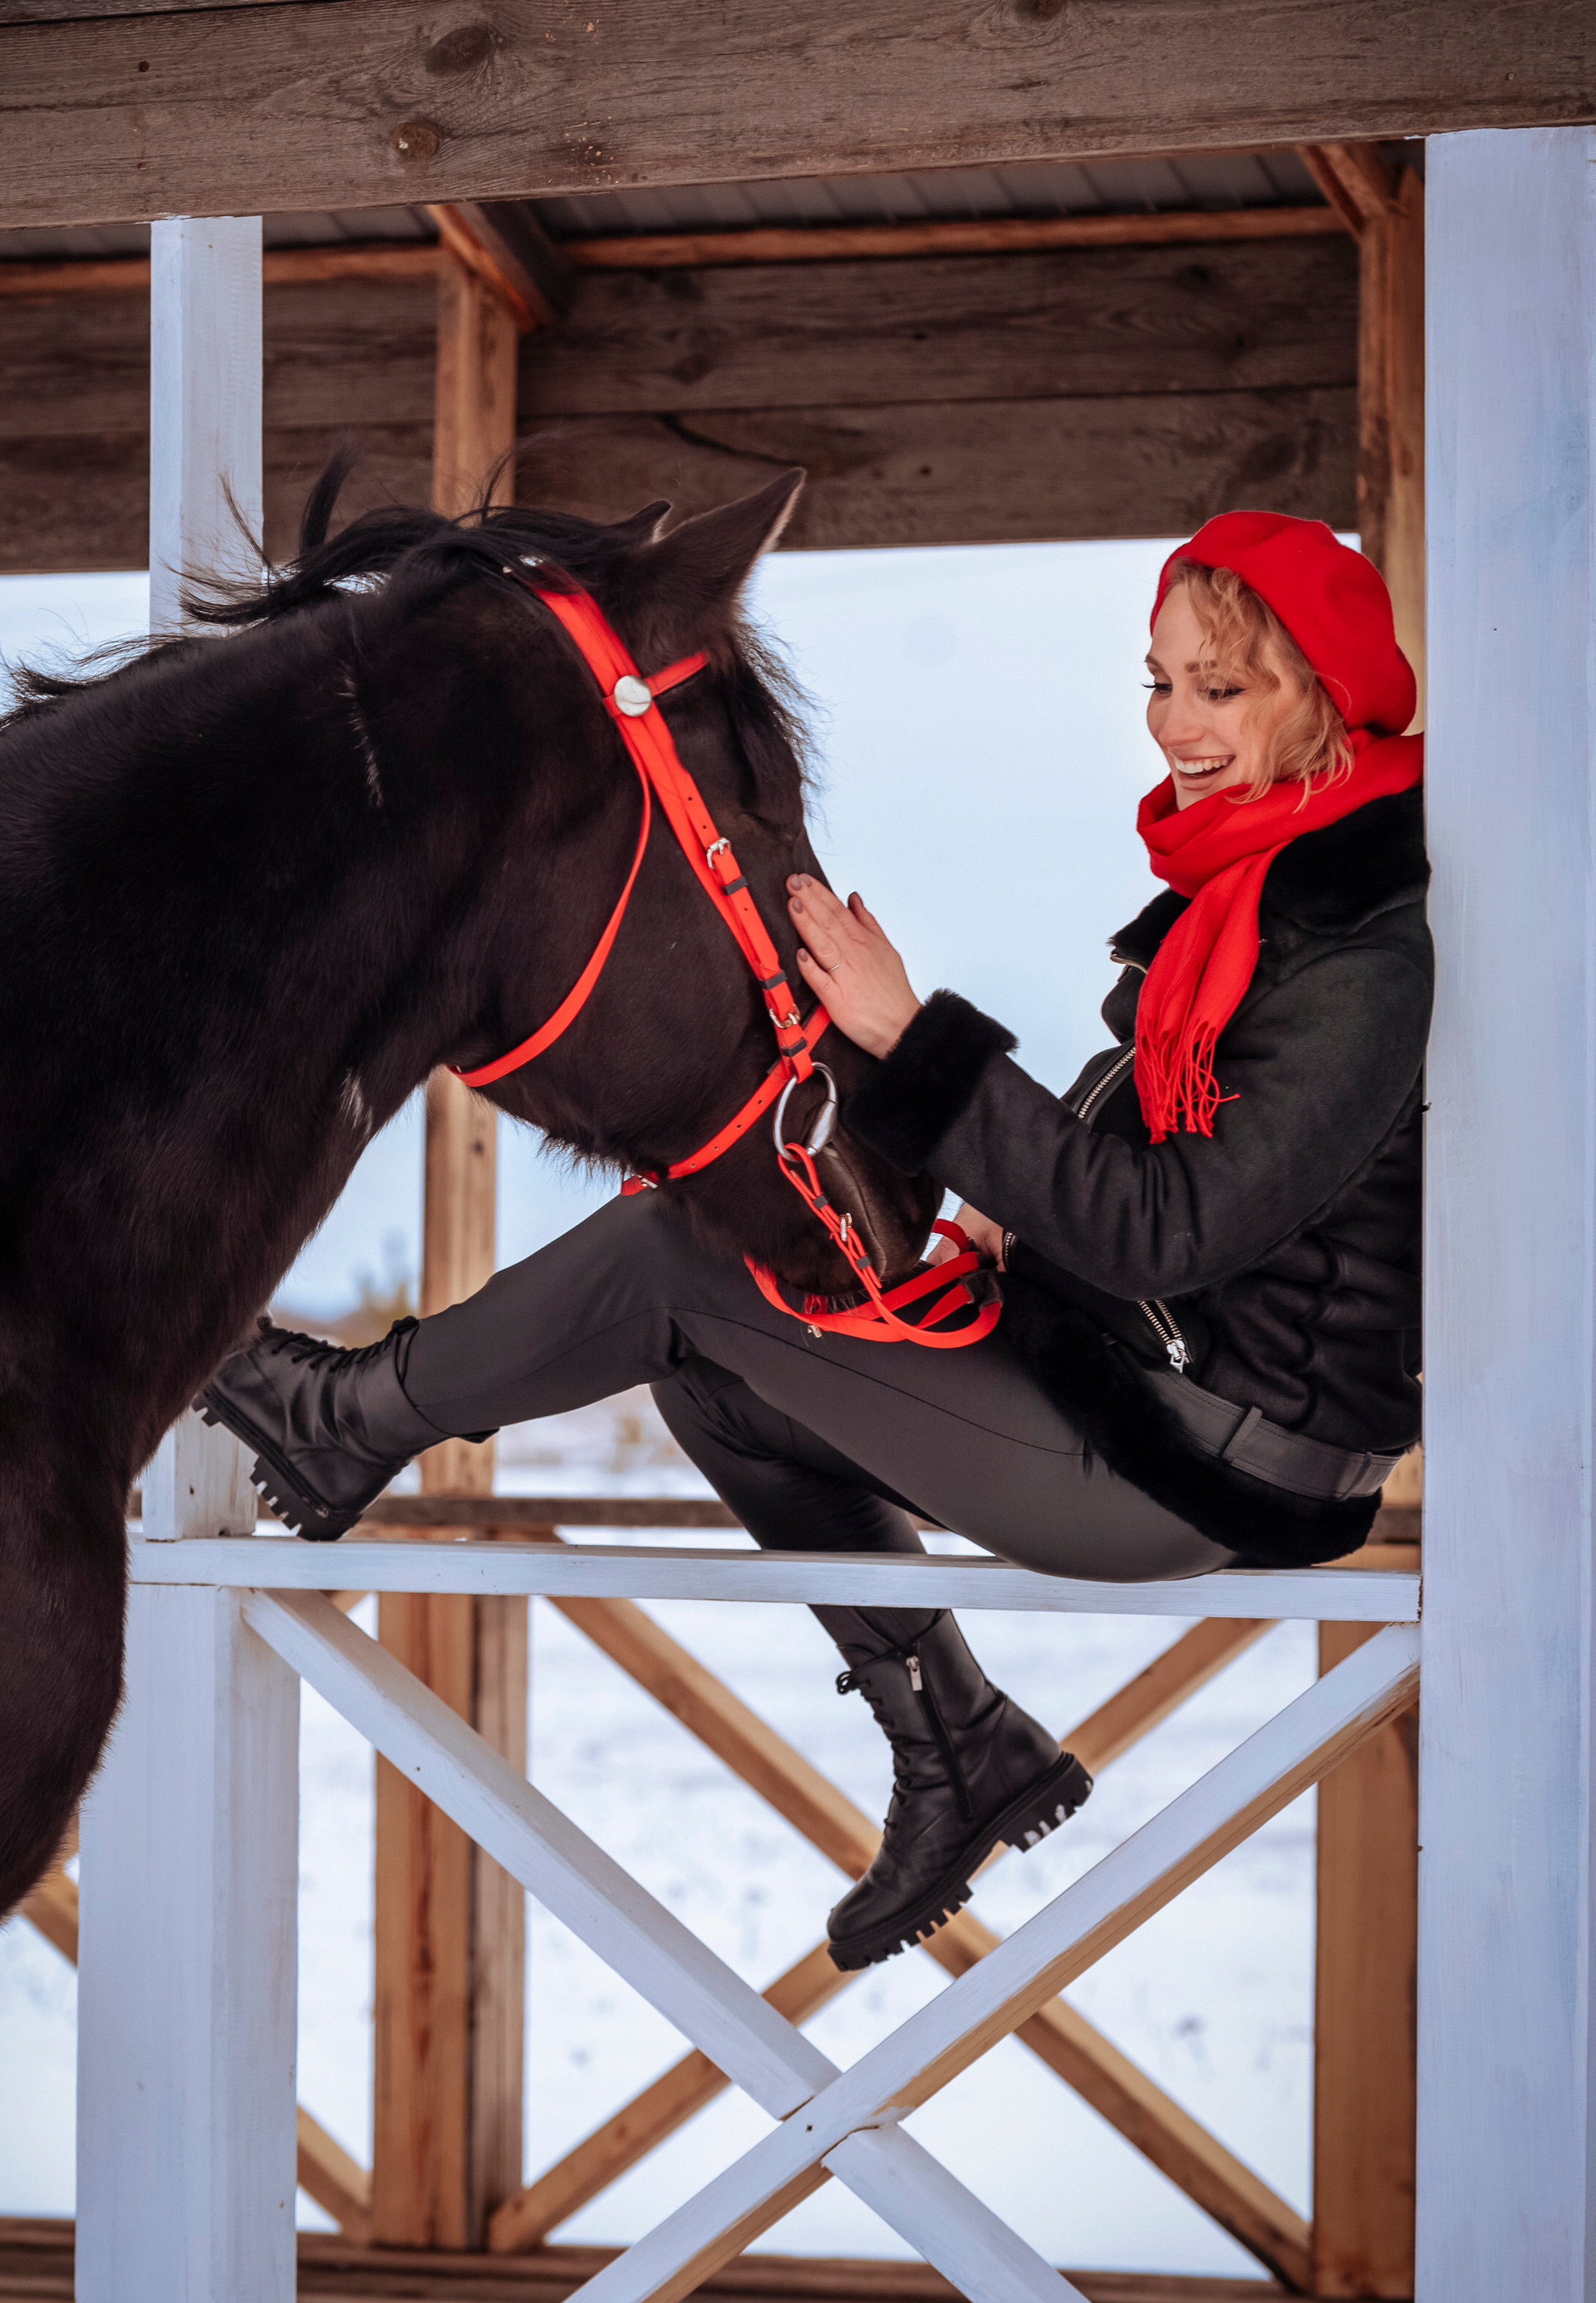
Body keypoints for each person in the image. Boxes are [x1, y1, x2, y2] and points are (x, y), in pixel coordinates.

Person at [203, 510, 1430, 1971]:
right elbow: (1182, 1177)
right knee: (724, 1372)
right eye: (1157, 685)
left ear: (1325, 690)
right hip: (1141, 1376)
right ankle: (958, 1745)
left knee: (676, 1255)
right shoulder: (1256, 891)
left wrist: (911, 1042)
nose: (1175, 726)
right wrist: (1012, 1216)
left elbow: (1173, 1228)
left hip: (1203, 1456)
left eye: (1220, 690)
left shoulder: (1357, 952)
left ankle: (346, 1418)